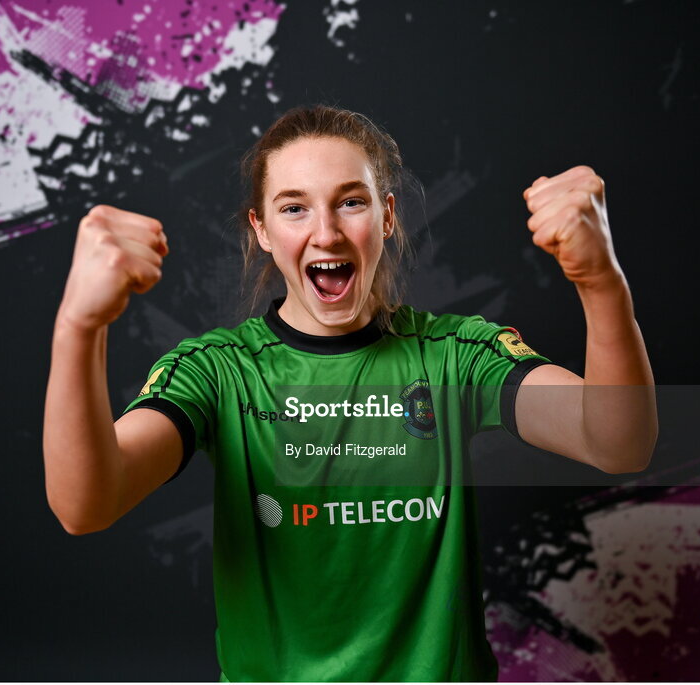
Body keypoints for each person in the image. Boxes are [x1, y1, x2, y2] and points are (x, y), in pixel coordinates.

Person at [42, 105, 657, 681]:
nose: (327, 233)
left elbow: (617, 443)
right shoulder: (218, 373)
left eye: (351, 202)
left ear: (388, 217)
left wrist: (601, 281)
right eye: (294, 208)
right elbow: (86, 504)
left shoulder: (456, 357)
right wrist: (78, 327)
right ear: (260, 230)